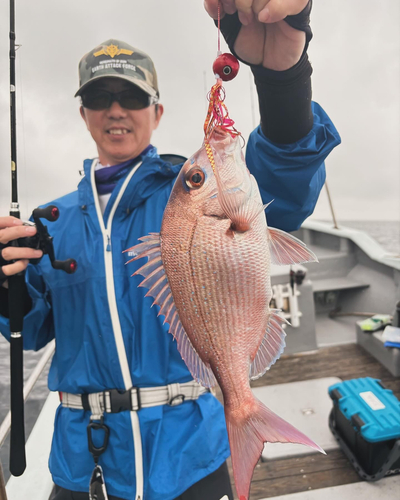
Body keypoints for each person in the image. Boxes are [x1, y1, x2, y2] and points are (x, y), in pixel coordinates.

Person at [0, 1, 340, 499]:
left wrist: (283, 80)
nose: (116, 109)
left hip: (190, 458)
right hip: (83, 467)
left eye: (132, 96)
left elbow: (285, 187)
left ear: (157, 112)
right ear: (83, 114)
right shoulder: (48, 222)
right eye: (100, 96)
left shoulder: (182, 193)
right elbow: (29, 331)